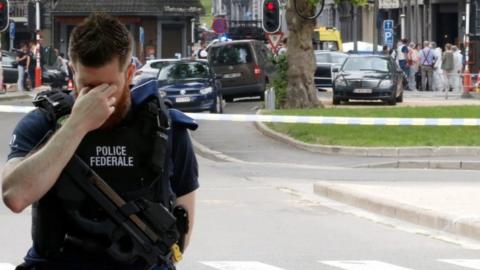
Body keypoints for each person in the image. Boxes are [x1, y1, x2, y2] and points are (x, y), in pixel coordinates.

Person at [2, 13, 198, 270]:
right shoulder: (44, 123)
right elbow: (14, 196)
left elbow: (180, 231)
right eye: (87, 86)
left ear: (129, 74)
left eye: (107, 87)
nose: (97, 97)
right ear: (73, 73)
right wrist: (76, 125)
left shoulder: (165, 127)